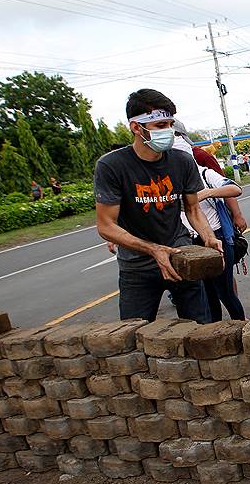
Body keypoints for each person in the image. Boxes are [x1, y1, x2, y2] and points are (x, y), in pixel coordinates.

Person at [94, 88, 222, 323]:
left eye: (170, 124)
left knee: (200, 330)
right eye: (160, 126)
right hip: (137, 266)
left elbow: (192, 209)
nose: (169, 132)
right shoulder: (112, 166)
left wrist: (208, 236)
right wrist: (154, 249)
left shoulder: (182, 161)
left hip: (181, 257)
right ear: (136, 127)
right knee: (132, 335)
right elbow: (105, 226)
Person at [173, 137, 246, 321]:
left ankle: (242, 327)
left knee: (225, 292)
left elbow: (234, 188)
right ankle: (216, 334)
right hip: (188, 242)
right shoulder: (167, 180)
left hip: (216, 238)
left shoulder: (204, 174)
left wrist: (206, 193)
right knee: (206, 295)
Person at [174, 120, 248, 232]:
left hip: (214, 228)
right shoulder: (156, 175)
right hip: (183, 236)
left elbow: (232, 189)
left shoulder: (201, 161)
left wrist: (205, 193)